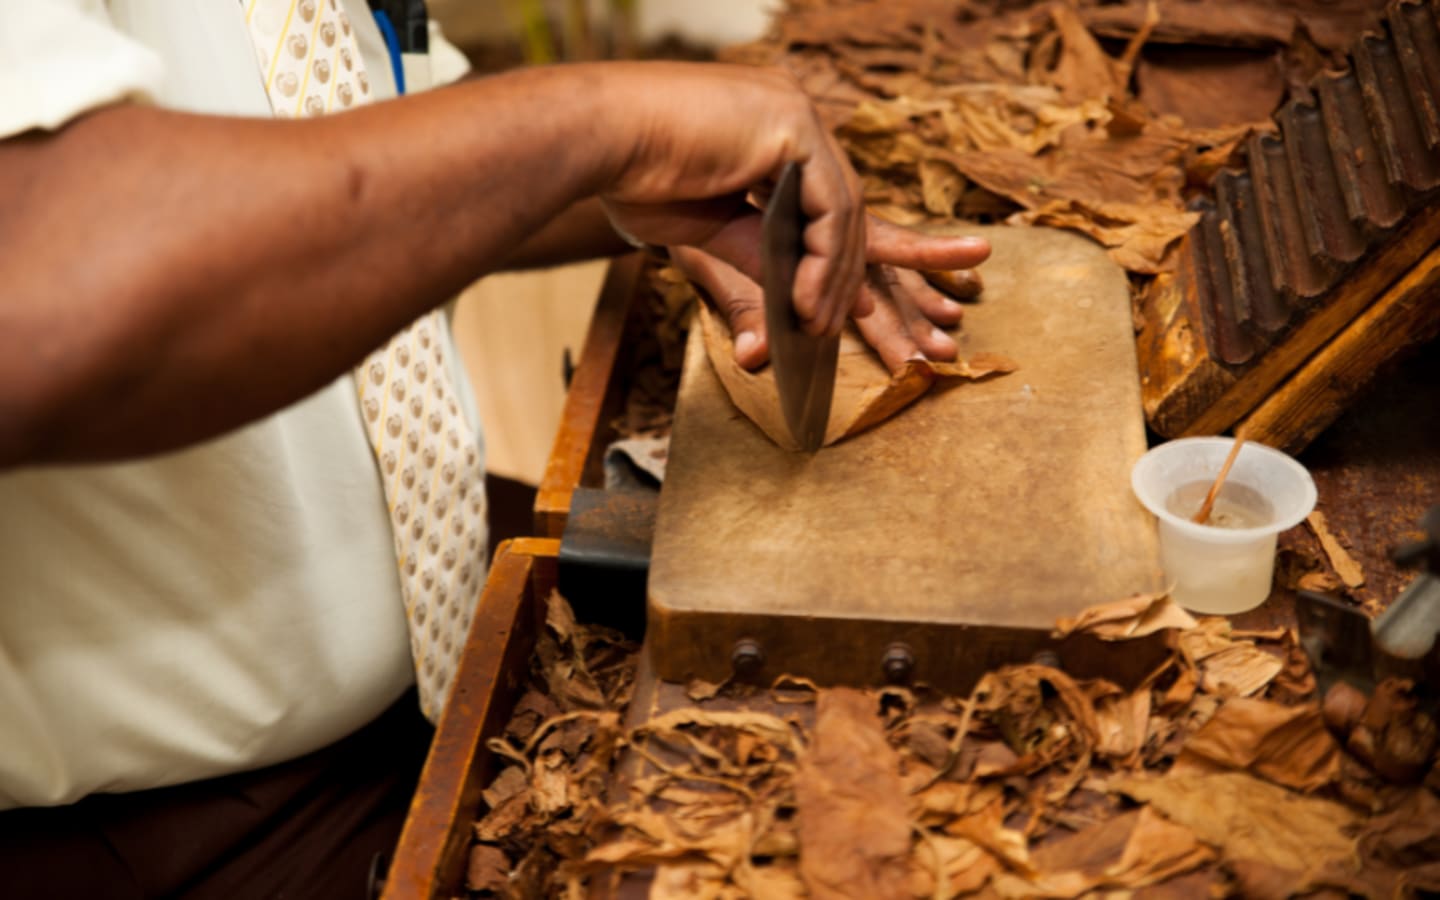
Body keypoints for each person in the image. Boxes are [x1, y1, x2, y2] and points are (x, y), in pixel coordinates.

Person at [0, 1, 990, 895]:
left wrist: (642, 192)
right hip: (184, 830)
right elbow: (39, 269)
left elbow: (382, 137)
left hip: (447, 594)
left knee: (759, 563)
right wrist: (607, 123)